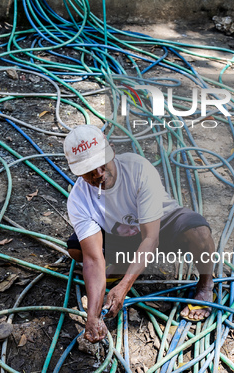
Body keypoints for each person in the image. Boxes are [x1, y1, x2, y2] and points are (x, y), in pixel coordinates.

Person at [63, 124, 215, 343]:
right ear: (76, 171)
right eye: (89, 170)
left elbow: (150, 238)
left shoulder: (138, 170)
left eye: (101, 163)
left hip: (159, 227)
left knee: (199, 234)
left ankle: (205, 284)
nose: (98, 174)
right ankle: (123, 264)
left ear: (112, 150)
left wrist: (124, 285)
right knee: (78, 249)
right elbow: (94, 260)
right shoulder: (78, 199)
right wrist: (93, 317)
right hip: (120, 237)